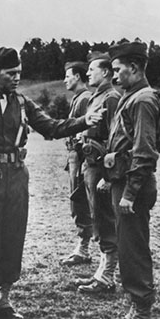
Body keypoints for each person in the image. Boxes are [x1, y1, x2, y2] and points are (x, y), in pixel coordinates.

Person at [0, 47, 103, 319]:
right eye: (11, 74)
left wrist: (83, 121)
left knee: (13, 234)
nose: (17, 78)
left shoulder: (23, 103)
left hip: (17, 177)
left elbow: (52, 127)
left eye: (19, 73)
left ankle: (4, 301)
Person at [99, 40, 160, 319]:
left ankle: (141, 317)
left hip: (132, 188)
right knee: (127, 247)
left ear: (135, 68)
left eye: (117, 69)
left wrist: (129, 193)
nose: (113, 76)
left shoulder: (143, 100)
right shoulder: (133, 96)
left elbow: (145, 152)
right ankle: (133, 311)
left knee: (134, 250)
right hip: (122, 182)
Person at [75, 52, 119, 294]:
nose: (88, 73)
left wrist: (109, 176)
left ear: (106, 72)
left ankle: (108, 275)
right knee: (97, 217)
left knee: (105, 218)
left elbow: (116, 136)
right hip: (90, 163)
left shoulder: (111, 98)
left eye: (93, 69)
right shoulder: (96, 97)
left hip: (102, 165)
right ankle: (101, 271)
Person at [60, 61, 94, 266]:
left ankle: (84, 249)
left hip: (81, 156)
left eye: (68, 76)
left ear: (78, 77)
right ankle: (83, 247)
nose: (65, 80)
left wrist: (82, 160)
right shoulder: (78, 98)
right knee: (77, 201)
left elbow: (87, 131)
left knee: (80, 202)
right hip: (75, 155)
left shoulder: (85, 99)